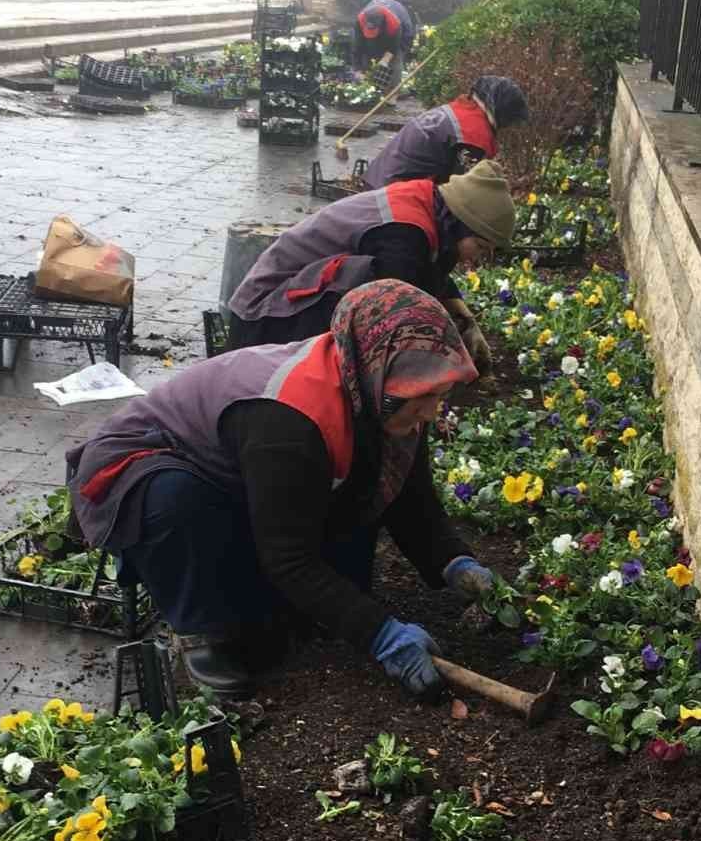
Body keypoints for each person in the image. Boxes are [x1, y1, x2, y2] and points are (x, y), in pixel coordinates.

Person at [66, 283, 494, 700]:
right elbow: (289, 559)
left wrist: (453, 562)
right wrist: (380, 634)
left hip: (241, 473)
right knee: (177, 502)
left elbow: (408, 497)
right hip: (140, 470)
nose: (432, 410)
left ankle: (251, 584)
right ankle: (199, 633)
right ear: (378, 369)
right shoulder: (289, 421)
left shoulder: (375, 386)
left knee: (331, 585)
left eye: (441, 394)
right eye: (421, 395)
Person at [227, 159, 516, 375]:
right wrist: (446, 363)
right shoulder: (404, 234)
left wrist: (468, 323)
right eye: (480, 247)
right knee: (373, 289)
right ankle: (326, 366)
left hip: (289, 305)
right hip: (264, 317)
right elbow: (402, 309)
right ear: (461, 223)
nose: (477, 259)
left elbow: (433, 270)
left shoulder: (434, 205)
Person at [363, 76, 529, 190]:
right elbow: (461, 191)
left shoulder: (462, 110)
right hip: (396, 195)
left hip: (380, 178)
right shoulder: (474, 134)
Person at [353, 0, 416, 92]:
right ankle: (371, 91)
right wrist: (358, 69)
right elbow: (357, 46)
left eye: (374, 30)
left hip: (402, 36)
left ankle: (391, 96)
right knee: (367, 60)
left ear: (381, 26)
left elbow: (393, 48)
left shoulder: (394, 24)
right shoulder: (360, 20)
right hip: (382, 28)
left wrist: (385, 60)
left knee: (393, 64)